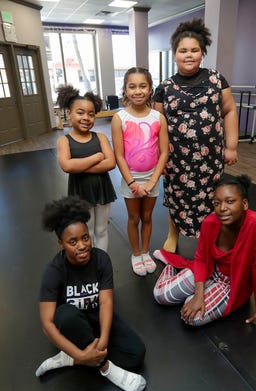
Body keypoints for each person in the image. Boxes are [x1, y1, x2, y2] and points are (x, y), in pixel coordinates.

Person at [35, 196, 146, 391]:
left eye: (85, 237)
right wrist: (82, 354)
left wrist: (102, 340)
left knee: (136, 355)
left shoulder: (101, 260)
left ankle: (69, 358)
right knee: (65, 315)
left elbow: (105, 302)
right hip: (71, 323)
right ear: (61, 244)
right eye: (72, 241)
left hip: (96, 317)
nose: (82, 246)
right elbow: (47, 325)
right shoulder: (54, 270)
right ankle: (106, 369)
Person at [153, 175, 256, 332]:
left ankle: (194, 293)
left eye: (230, 201)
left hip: (232, 283)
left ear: (244, 204)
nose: (222, 208)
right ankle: (171, 268)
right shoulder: (210, 222)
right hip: (209, 270)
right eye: (217, 203)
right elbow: (201, 259)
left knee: (192, 318)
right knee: (160, 295)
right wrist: (198, 295)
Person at [153, 18, 239, 252]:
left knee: (212, 198)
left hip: (210, 157)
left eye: (194, 50)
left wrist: (231, 146)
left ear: (202, 53)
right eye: (183, 50)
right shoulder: (164, 88)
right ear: (175, 54)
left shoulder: (216, 80)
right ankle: (173, 234)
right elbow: (156, 126)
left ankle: (212, 237)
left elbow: (229, 110)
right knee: (176, 198)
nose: (188, 55)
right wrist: (159, 160)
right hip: (175, 158)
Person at [112, 67, 169, 276]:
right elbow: (119, 155)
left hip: (152, 179)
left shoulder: (158, 117)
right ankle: (136, 253)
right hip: (131, 180)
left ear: (150, 89)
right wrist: (133, 184)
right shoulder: (120, 118)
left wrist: (153, 181)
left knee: (147, 216)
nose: (138, 91)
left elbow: (163, 153)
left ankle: (145, 251)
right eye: (132, 86)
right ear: (125, 90)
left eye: (142, 86)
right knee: (134, 217)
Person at [56, 85, 116, 252]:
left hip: (101, 189)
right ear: (69, 113)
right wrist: (96, 158)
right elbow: (67, 166)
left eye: (91, 114)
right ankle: (89, 263)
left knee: (102, 229)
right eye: (80, 112)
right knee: (86, 231)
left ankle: (102, 260)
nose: (86, 118)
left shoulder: (101, 137)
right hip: (80, 192)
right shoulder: (64, 141)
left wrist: (79, 165)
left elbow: (110, 163)